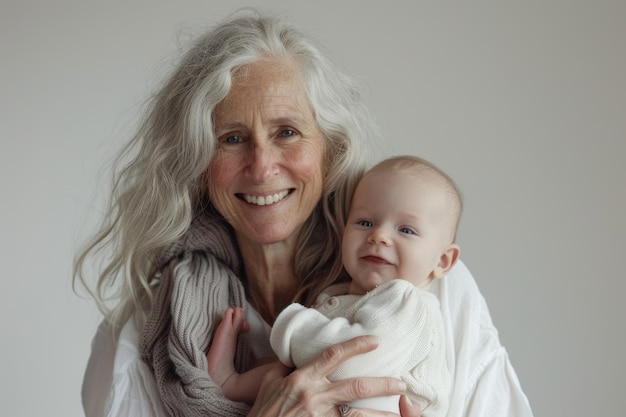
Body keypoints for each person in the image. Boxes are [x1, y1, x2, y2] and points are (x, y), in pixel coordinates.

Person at [75, 9, 534, 417]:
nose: (262, 166)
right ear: (196, 163)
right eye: (231, 138)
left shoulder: (431, 287)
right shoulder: (139, 338)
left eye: (288, 132)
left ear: (330, 151)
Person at [207, 156, 462, 417]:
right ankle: (231, 383)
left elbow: (347, 363)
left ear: (442, 261)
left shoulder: (409, 303)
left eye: (406, 230)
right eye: (365, 223)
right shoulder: (343, 295)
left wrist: (292, 323)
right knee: (295, 375)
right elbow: (298, 375)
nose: (379, 236)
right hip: (336, 404)